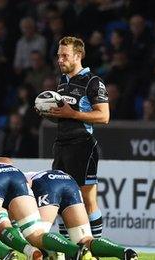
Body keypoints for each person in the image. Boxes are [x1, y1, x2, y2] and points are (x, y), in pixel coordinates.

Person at [43, 36, 109, 239]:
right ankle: (71, 248)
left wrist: (72, 114)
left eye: (65, 56)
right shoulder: (62, 82)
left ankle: (96, 247)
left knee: (88, 201)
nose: (60, 60)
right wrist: (50, 113)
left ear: (78, 55)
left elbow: (104, 116)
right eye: (58, 56)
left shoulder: (93, 81)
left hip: (83, 146)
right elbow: (66, 115)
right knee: (63, 200)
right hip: (61, 146)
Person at [24, 170, 138, 260]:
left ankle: (62, 252)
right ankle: (124, 252)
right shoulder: (17, 173)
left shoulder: (13, 179)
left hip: (47, 183)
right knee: (85, 239)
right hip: (68, 181)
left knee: (37, 236)